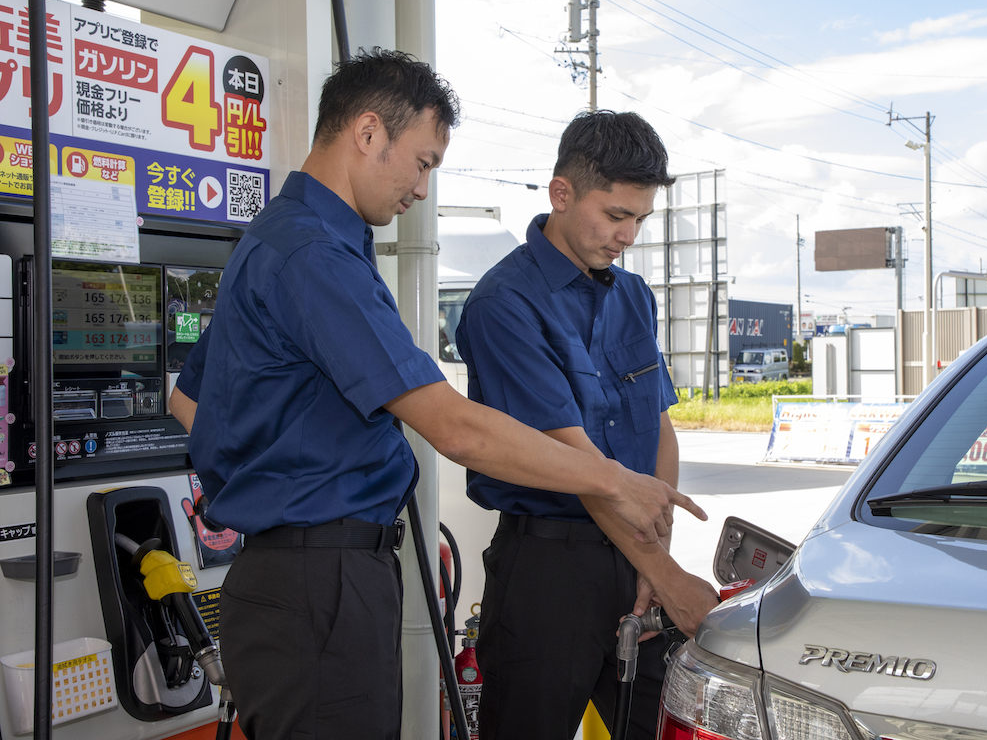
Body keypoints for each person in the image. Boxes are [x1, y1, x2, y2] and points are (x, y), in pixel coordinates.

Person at [168, 50, 703, 740]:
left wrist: (272, 459)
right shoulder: (313, 255)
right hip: (318, 579)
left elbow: (190, 401)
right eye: (421, 162)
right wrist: (616, 483)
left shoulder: (298, 242)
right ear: (367, 134)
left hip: (312, 570)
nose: (422, 188)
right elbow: (455, 429)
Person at [455, 110, 721, 740]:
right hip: (550, 570)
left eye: (640, 220)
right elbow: (577, 465)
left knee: (656, 724)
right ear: (561, 193)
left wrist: (654, 557)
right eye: (615, 215)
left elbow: (658, 425)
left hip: (634, 562)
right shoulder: (504, 305)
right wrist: (666, 574)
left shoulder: (633, 295)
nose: (627, 235)